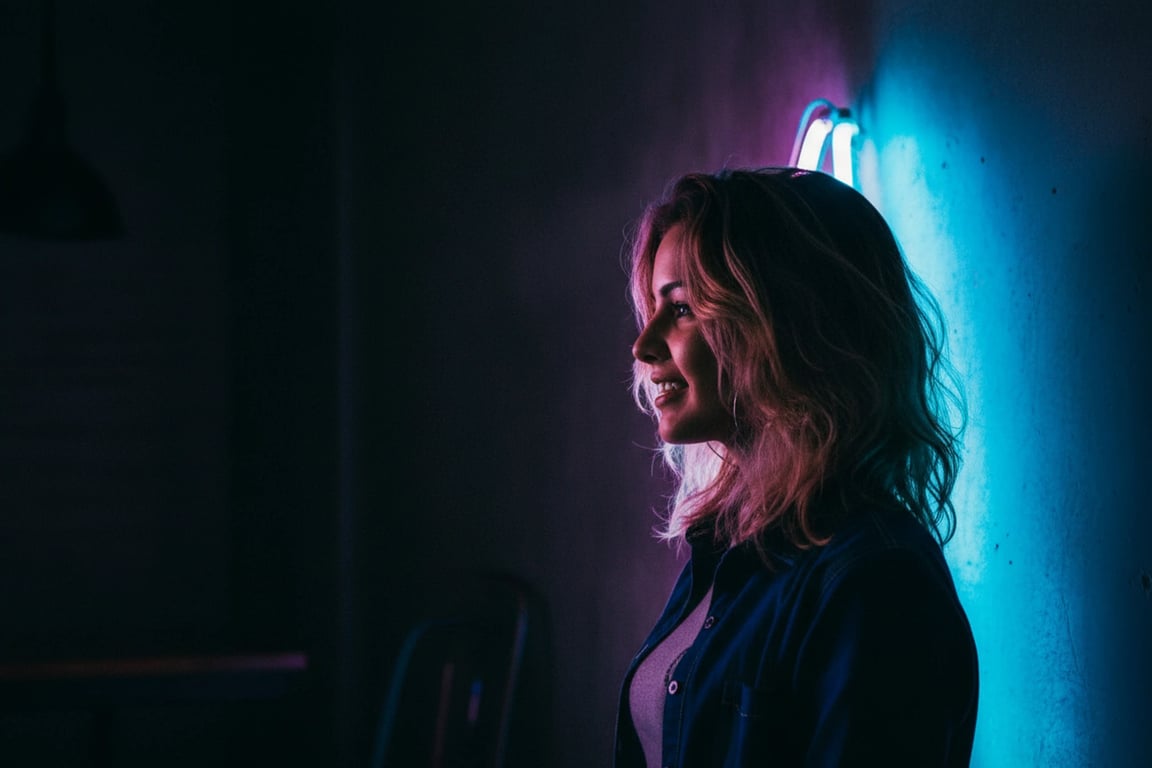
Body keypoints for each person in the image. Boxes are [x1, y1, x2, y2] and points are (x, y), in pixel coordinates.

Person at [615, 168, 979, 767]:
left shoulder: (876, 580)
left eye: (680, 308)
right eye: (653, 307)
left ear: (784, 323)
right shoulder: (728, 551)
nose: (643, 344)